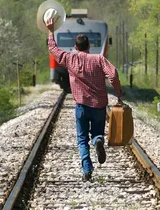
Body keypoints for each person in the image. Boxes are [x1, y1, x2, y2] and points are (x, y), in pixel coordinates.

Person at [46, 18, 123, 181]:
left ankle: (87, 170)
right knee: (97, 133)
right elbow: (113, 74)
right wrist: (119, 94)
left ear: (76, 47)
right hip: (99, 106)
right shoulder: (99, 59)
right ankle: (98, 140)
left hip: (81, 106)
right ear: (89, 46)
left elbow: (53, 49)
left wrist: (50, 30)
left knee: (82, 140)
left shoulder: (69, 58)